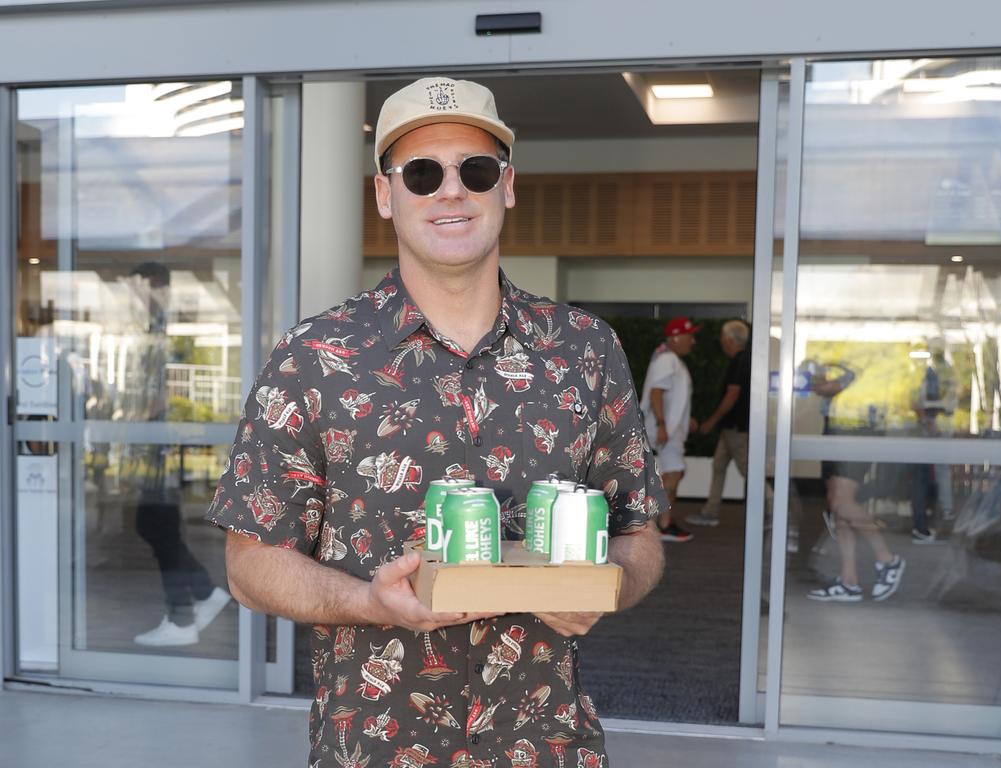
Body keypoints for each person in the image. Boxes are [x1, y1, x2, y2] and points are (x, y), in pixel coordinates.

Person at [206, 77, 667, 767]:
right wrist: (371, 601)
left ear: (506, 186)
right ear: (385, 196)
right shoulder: (315, 357)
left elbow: (641, 537)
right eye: (421, 173)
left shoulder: (585, 350)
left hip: (544, 747)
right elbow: (250, 566)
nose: (450, 191)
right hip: (376, 748)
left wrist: (603, 589)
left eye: (473, 170)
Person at [126, 262, 232, 646]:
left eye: (135, 287)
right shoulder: (156, 325)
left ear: (151, 285)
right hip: (159, 446)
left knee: (157, 524)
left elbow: (165, 390)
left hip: (162, 447)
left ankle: (182, 618)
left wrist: (139, 416)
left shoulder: (165, 328)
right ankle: (203, 592)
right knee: (153, 524)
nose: (131, 296)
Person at [805, 360, 905, 602]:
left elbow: (832, 386)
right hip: (839, 428)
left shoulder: (857, 352)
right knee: (838, 505)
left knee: (841, 502)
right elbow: (823, 385)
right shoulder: (835, 353)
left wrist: (816, 379)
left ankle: (887, 559)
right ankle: (849, 580)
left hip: (854, 429)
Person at [686, 320, 755, 527]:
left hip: (736, 427)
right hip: (732, 426)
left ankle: (774, 509)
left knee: (749, 470)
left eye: (723, 338)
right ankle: (710, 511)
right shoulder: (743, 360)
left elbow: (732, 394)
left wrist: (711, 421)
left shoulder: (739, 361)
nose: (722, 342)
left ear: (730, 340)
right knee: (719, 466)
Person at [640, 316, 699, 542]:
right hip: (665, 431)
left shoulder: (669, 358)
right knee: (673, 473)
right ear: (675, 337)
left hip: (668, 429)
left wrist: (686, 418)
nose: (692, 341)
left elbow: (670, 395)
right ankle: (660, 524)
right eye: (689, 335)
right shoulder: (667, 360)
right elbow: (657, 393)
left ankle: (660, 522)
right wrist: (663, 425)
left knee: (672, 473)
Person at [909, 336, 957, 543]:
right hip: (934, 424)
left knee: (927, 473)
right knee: (929, 473)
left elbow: (923, 401)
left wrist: (929, 421)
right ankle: (937, 512)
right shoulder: (936, 371)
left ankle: (935, 513)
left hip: (934, 425)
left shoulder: (935, 371)